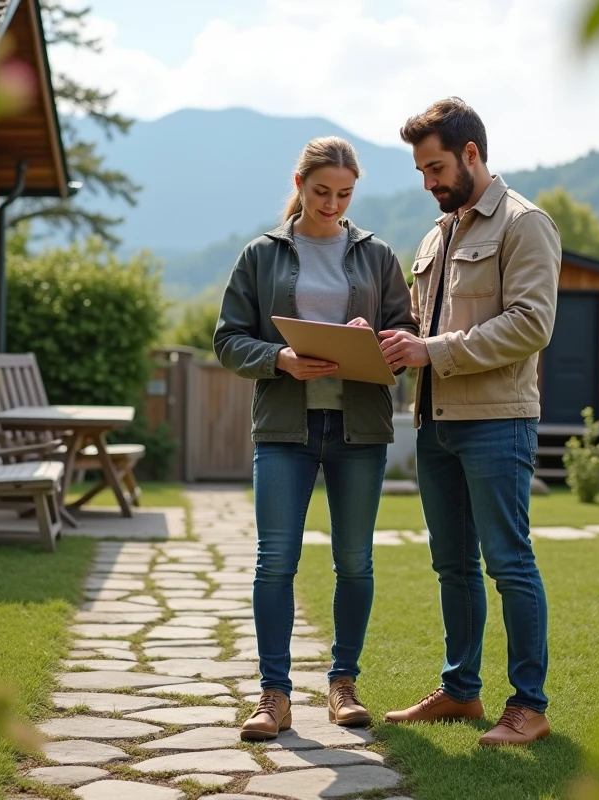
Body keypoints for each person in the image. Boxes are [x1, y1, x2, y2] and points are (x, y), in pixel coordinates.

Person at [214, 136, 417, 741]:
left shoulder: (375, 255)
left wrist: (374, 335)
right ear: (299, 185)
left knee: (354, 559)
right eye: (322, 191)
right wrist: (279, 358)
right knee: (275, 559)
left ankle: (343, 684)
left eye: (345, 194)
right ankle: (273, 696)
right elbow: (227, 339)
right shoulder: (261, 254)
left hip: (358, 428)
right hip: (284, 429)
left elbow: (404, 334)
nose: (333, 204)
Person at [378, 98, 562, 747]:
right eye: (422, 170)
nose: (428, 182)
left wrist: (434, 351)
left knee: (508, 563)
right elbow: (426, 328)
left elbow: (531, 323)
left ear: (472, 154)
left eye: (435, 167)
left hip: (496, 422)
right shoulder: (436, 236)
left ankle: (529, 706)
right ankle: (461, 692)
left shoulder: (525, 223)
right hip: (435, 422)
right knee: (451, 565)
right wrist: (393, 342)